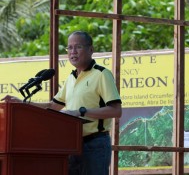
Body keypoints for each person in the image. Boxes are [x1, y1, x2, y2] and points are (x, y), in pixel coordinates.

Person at [1, 31, 122, 175]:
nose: (73, 52)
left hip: (95, 144)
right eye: (69, 48)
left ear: (91, 50)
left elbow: (116, 111)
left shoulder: (102, 74)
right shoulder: (71, 78)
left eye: (78, 47)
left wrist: (80, 111)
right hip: (70, 144)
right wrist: (22, 104)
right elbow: (53, 106)